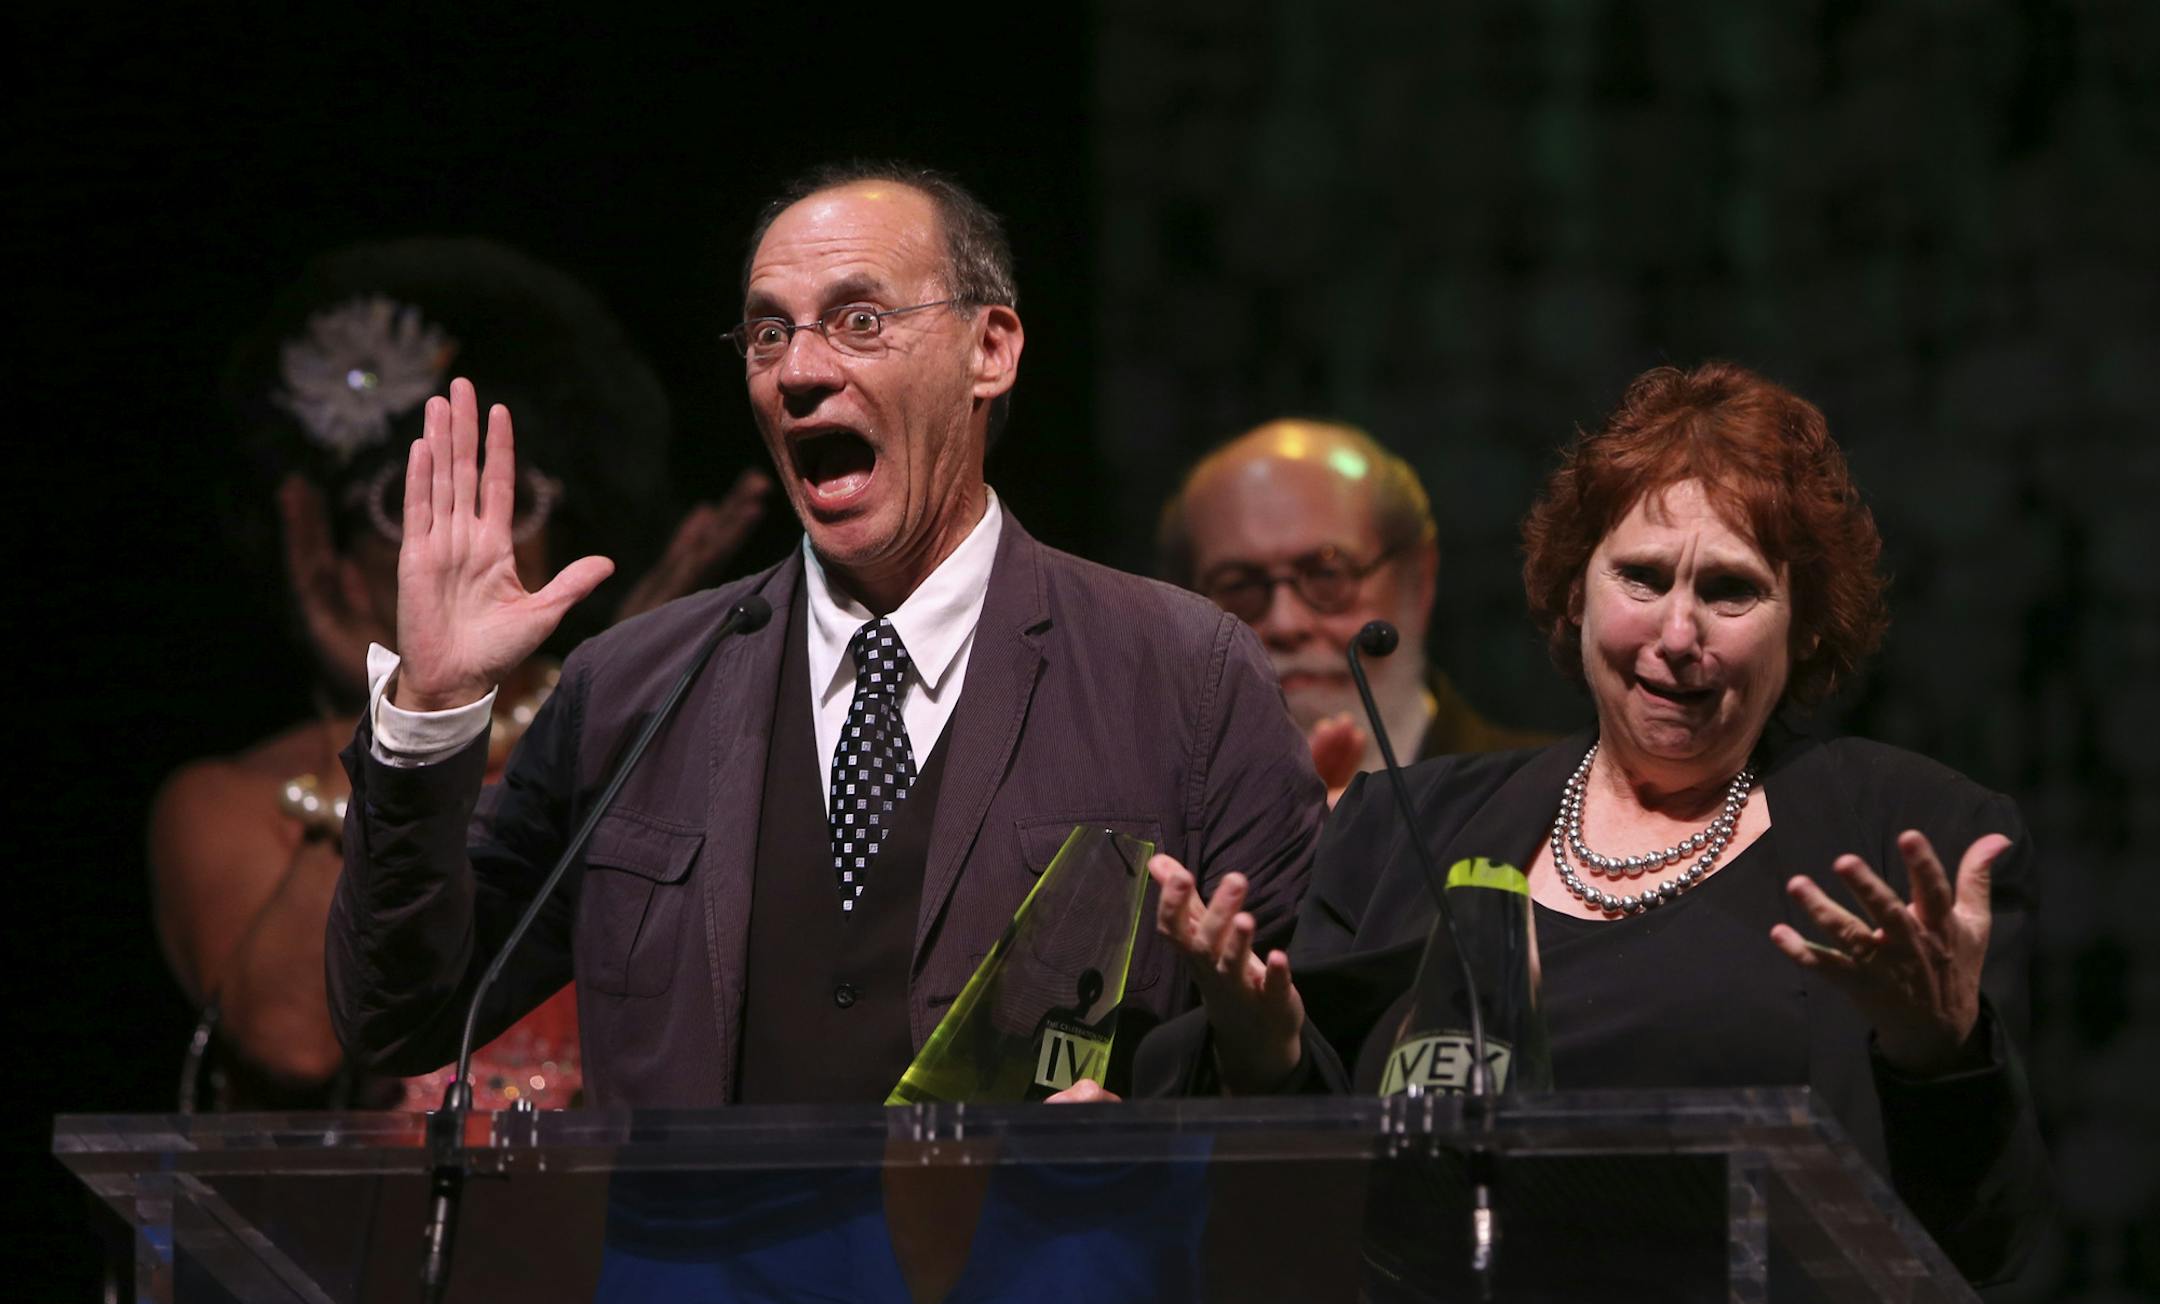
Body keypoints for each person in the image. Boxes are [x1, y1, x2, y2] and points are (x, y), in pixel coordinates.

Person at [325, 161, 1322, 1108]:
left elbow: (1319, 1068)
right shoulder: (632, 686)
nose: (798, 370)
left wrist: (1184, 1111)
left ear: (990, 349)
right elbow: (397, 1015)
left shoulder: (1181, 674)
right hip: (691, 1242)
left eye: (860, 320)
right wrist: (430, 709)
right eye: (768, 334)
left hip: (1041, 1240)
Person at [1140, 362, 2049, 1295]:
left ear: (1807, 626)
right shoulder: (1401, 830)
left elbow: (1983, 1244)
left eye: (1730, 590)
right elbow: (1306, 1215)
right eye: (1641, 577)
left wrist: (1938, 1055)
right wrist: (1265, 1051)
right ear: (1577, 592)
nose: (1677, 634)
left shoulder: (1909, 839)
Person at [150, 238, 767, 1110]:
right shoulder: (228, 800)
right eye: (415, 504)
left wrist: (623, 691)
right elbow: (294, 1041)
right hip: (396, 1203)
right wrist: (391, 724)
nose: (483, 534)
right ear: (333, 557)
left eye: (514, 497)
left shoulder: (639, 745)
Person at [1159, 420, 1548, 803]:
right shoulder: (1156, 816)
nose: (1285, 623)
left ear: (1419, 580)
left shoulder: (1548, 799)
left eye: (1327, 575)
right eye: (1239, 587)